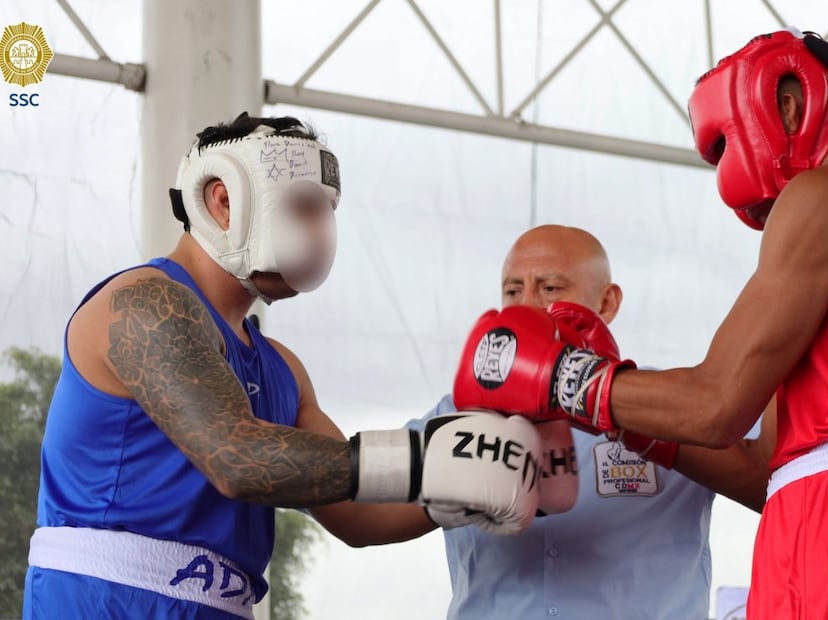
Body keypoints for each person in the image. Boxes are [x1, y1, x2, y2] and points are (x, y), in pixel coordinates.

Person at [452, 29, 828, 619]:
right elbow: (758, 470)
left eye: (726, 140)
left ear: (788, 104)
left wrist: (568, 379)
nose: (728, 164)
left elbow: (716, 402)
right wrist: (628, 419)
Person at [23, 113, 544, 619]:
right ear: (223, 201)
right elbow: (239, 458)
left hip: (222, 605)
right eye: (303, 206)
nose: (321, 230)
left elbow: (357, 513)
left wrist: (463, 487)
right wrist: (432, 461)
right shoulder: (143, 304)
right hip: (104, 599)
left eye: (327, 210)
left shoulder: (282, 369)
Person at [411, 224, 775, 619]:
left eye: (550, 288)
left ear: (607, 303)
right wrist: (455, 480)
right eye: (512, 291)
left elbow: (773, 482)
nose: (526, 306)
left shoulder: (675, 403)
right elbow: (361, 518)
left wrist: (606, 402)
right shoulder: (458, 414)